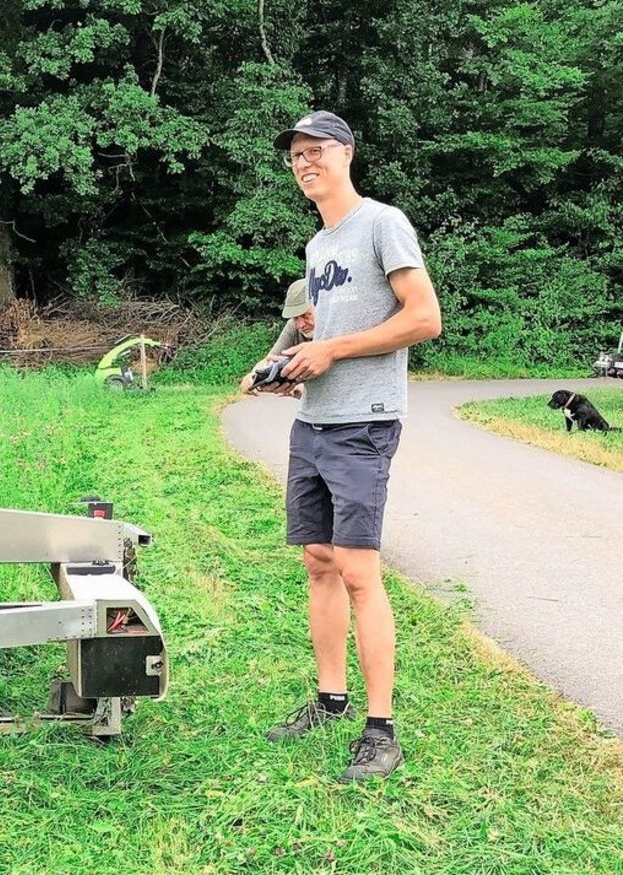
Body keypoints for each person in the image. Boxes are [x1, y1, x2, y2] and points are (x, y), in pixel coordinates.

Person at [263, 111, 442, 782]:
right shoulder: (319, 246)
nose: (304, 162)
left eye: (316, 151)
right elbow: (312, 329)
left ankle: (381, 729)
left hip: (364, 421)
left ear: (346, 153)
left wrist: (331, 349)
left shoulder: (382, 223)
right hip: (314, 421)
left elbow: (424, 318)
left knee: (359, 569)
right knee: (317, 560)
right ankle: (332, 699)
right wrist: (280, 366)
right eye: (295, 155)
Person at [241, 279, 315, 397]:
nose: (300, 325)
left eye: (306, 315)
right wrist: (252, 377)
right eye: (295, 318)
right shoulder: (293, 326)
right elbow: (270, 360)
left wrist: (308, 388)